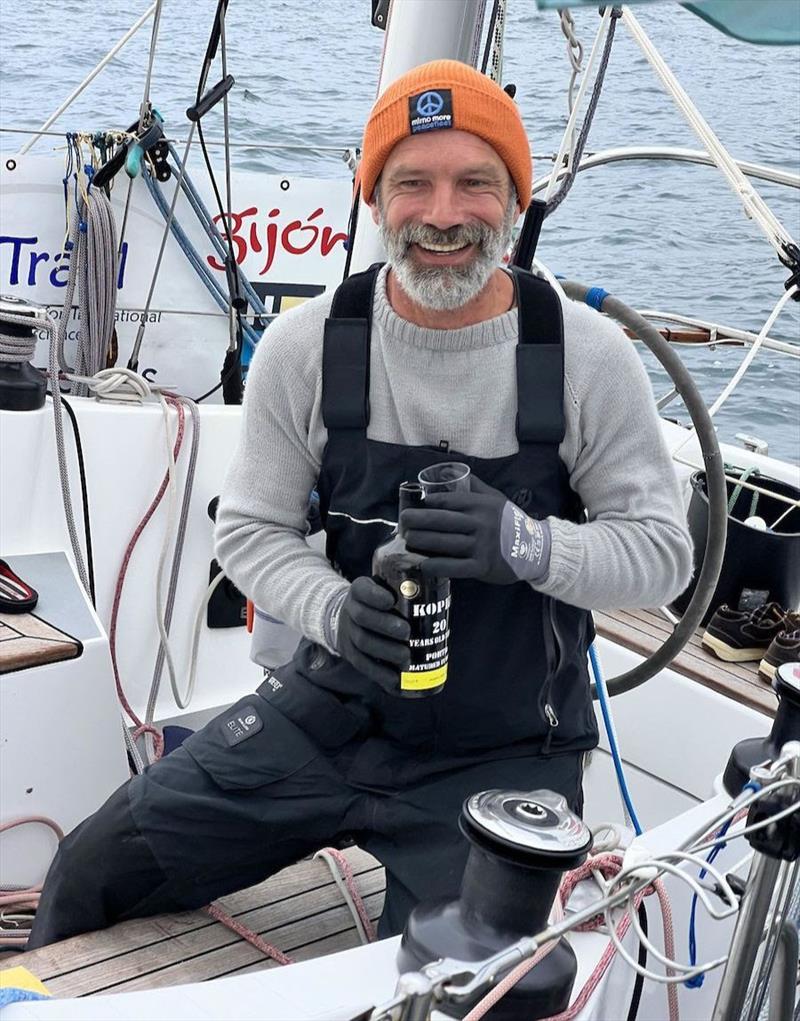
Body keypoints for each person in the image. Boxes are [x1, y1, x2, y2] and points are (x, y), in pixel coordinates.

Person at [28, 60, 692, 949]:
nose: (444, 215)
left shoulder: (586, 356)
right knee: (90, 872)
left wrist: (530, 547)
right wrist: (337, 612)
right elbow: (251, 532)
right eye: (411, 182)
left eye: (476, 184)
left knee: (461, 976)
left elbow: (663, 554)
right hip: (331, 712)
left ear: (518, 199)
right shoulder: (307, 347)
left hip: (503, 750)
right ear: (373, 198)